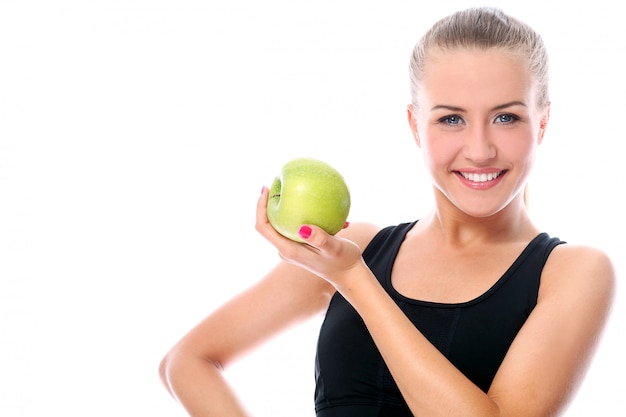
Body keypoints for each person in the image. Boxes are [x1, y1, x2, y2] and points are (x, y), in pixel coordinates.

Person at [159, 7, 615, 417]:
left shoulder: (574, 272)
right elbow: (187, 362)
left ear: (543, 122)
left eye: (506, 117)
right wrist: (348, 268)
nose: (479, 150)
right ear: (416, 124)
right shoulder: (355, 246)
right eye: (451, 119)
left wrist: (355, 279)